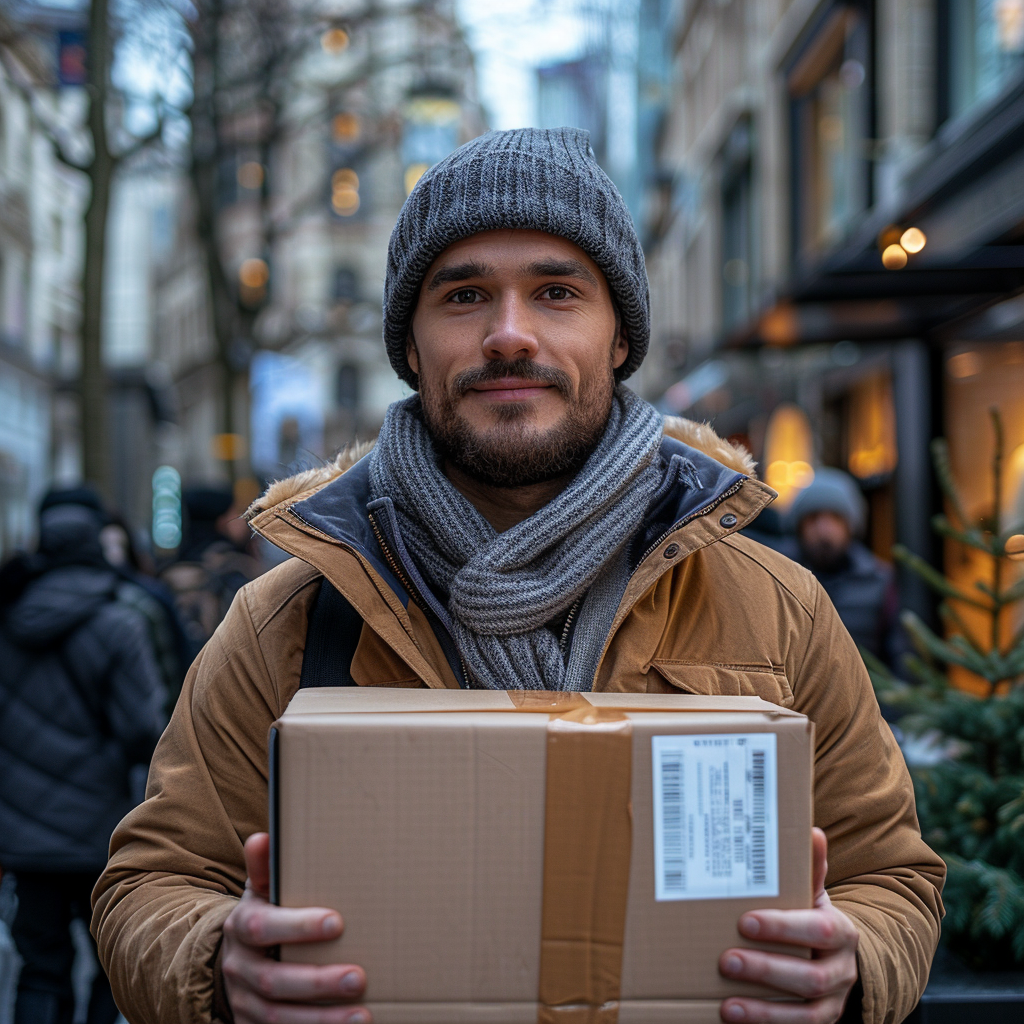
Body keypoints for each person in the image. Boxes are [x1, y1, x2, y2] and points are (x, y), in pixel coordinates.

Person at [92, 129, 944, 1024]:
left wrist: (850, 964)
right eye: (464, 295)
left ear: (620, 338)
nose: (508, 334)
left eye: (557, 292)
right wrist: (219, 962)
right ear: (410, 345)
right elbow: (150, 886)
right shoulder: (290, 619)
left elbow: (890, 876)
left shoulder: (777, 609)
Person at [0, 490, 166, 1024]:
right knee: (109, 964)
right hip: (102, 828)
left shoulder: (7, 618)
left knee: (40, 967)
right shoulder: (121, 620)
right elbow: (145, 729)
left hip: (23, 831)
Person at [781, 469, 906, 671]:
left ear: (850, 525)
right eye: (813, 518)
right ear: (799, 526)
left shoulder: (879, 581)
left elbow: (901, 659)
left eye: (835, 518)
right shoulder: (775, 575)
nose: (824, 530)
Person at [159, 486, 262, 658]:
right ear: (221, 522)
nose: (243, 520)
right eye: (235, 513)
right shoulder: (236, 568)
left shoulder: (168, 571)